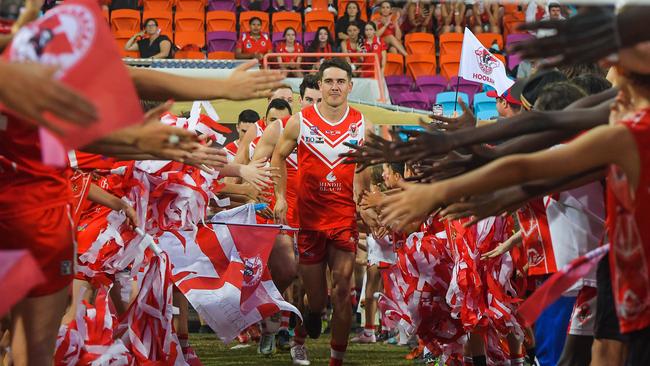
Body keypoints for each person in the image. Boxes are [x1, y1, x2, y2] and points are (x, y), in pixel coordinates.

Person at [380, 65, 650, 366]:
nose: (618, 99)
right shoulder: (607, 135)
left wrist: (445, 186)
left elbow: (523, 172)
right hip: (601, 274)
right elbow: (525, 176)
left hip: (595, 275)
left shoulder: (612, 139)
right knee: (580, 355)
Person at [272, 58, 376, 366]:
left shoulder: (363, 126)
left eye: (340, 81)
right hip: (309, 222)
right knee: (316, 300)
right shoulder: (300, 121)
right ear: (320, 85)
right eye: (328, 81)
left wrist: (366, 203)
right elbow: (278, 157)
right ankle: (304, 329)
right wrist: (280, 197)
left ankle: (335, 361)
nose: (334, 87)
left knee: (342, 290)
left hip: (344, 220)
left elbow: (366, 170)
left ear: (349, 86)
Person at [246, 75, 322, 364]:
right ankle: (271, 324)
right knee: (287, 272)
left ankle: (292, 334)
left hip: (312, 213)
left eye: (319, 100)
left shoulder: (321, 131)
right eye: (310, 99)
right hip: (279, 212)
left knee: (308, 283)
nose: (315, 104)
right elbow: (250, 165)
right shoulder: (269, 130)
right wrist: (256, 198)